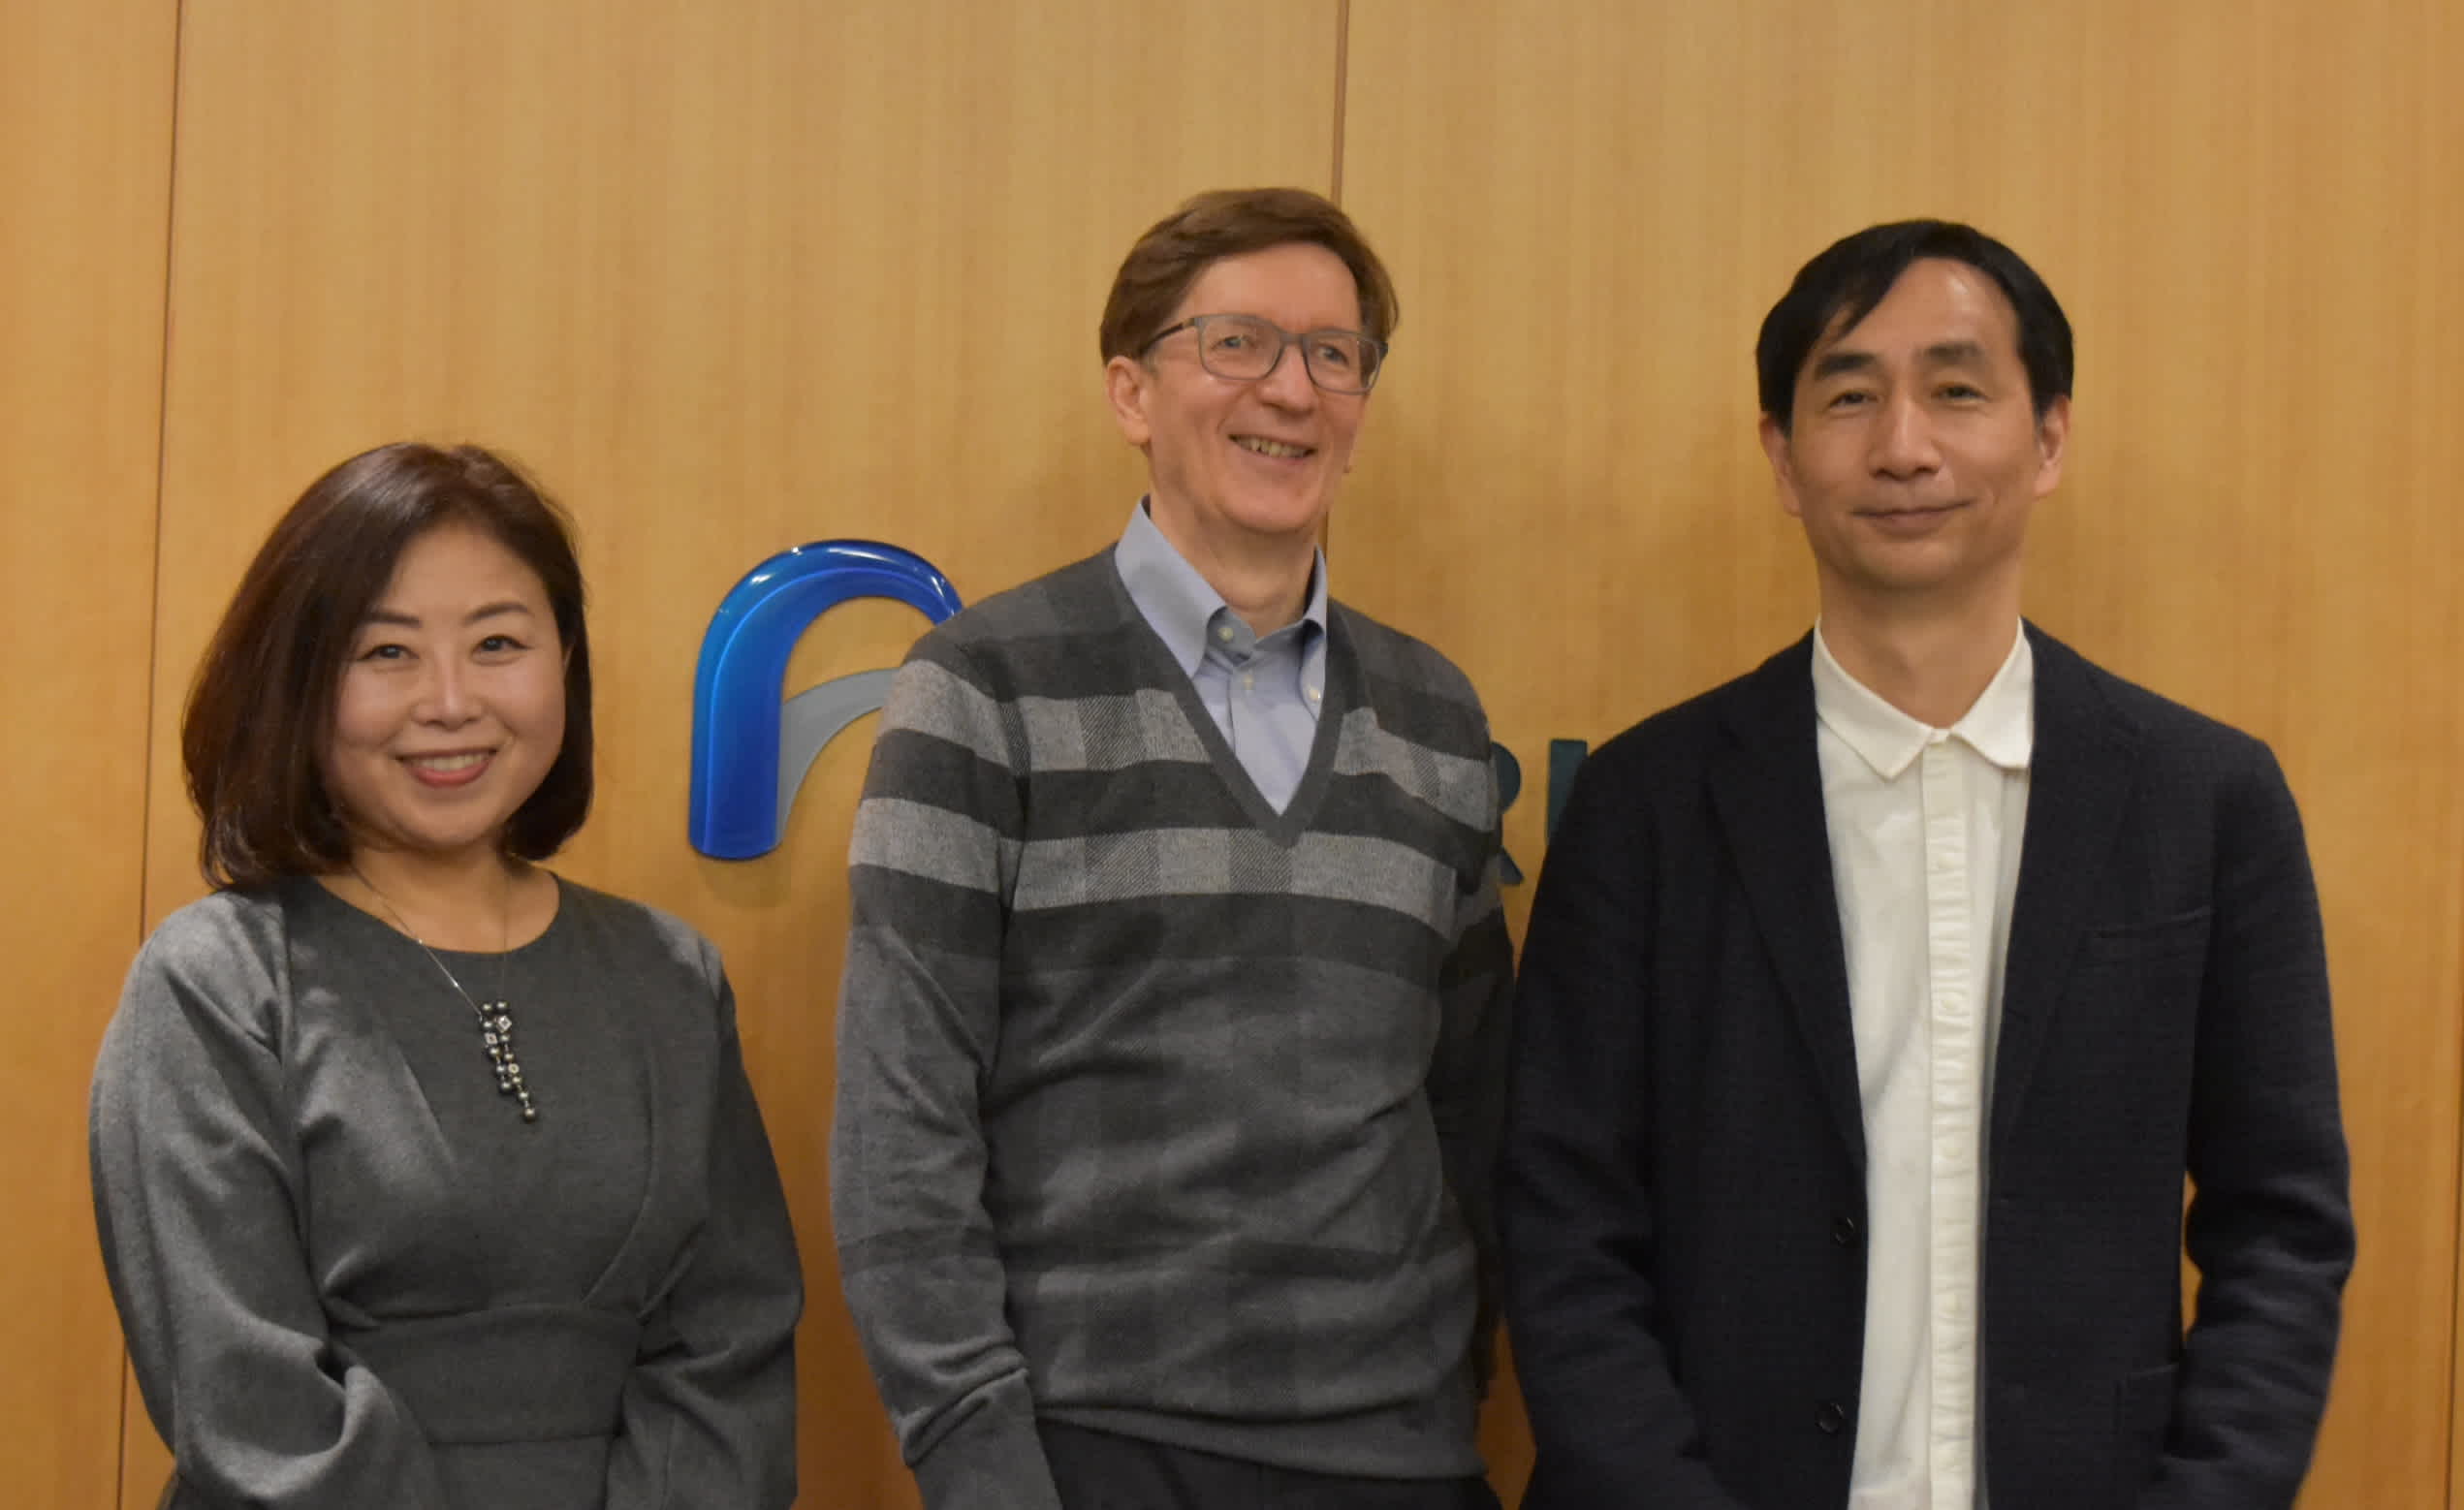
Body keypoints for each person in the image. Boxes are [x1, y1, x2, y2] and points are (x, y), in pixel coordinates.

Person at [1501, 221, 2353, 1510]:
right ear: (1781, 459)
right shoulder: (1642, 804)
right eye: (1849, 396)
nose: (1903, 445)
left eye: (1956, 390)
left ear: (2048, 436)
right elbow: (1561, 1223)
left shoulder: (2207, 799)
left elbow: (2278, 1226)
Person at [833, 187, 1513, 1510]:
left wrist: (1455, 1386)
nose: (1293, 389)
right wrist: (975, 1458)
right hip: (1089, 1446)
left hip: (1401, 1452)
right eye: (1238, 343)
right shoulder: (982, 686)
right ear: (1132, 391)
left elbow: (1472, 1108)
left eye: (1334, 354)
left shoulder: (1436, 715)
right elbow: (898, 1123)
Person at [89, 442, 803, 1509]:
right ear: (298, 683)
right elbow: (246, 1398)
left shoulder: (669, 974)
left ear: (563, 662)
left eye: (499, 642)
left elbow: (732, 1345)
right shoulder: (215, 985)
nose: (452, 701)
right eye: (387, 653)